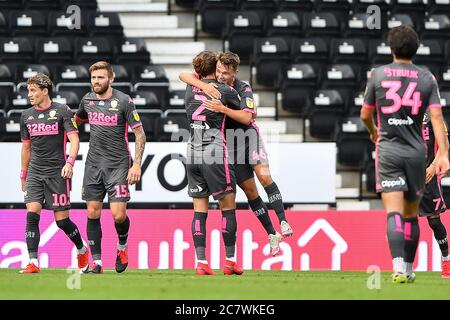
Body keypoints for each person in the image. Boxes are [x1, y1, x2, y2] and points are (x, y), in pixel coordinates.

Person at [360, 25, 450, 284]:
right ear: (417, 48)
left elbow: (365, 114)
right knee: (411, 215)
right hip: (415, 154)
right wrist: (443, 153)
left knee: (394, 214)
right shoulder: (426, 78)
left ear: (391, 47)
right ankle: (408, 269)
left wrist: (373, 132)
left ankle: (400, 267)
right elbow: (437, 116)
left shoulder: (377, 74)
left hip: (389, 152)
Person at [179, 52, 287, 256]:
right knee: (251, 192)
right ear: (215, 68)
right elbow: (184, 75)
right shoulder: (209, 84)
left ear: (235, 73)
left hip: (247, 137)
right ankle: (272, 234)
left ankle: (283, 221)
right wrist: (205, 86)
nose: (221, 75)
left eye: (226, 73)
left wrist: (222, 108)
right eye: (219, 71)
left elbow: (248, 117)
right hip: (229, 145)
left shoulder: (241, 87)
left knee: (264, 177)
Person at [74, 61, 146, 274]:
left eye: (101, 77)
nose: (96, 81)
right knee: (92, 211)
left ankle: (122, 246)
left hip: (118, 166)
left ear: (111, 79)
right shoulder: (87, 100)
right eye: (94, 78)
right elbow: (75, 122)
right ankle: (96, 262)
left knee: (118, 215)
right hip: (93, 164)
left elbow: (140, 134)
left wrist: (137, 164)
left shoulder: (124, 101)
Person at [185, 51, 252, 276]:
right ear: (215, 70)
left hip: (192, 152)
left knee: (199, 210)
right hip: (214, 152)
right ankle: (230, 261)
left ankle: (201, 262)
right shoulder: (226, 91)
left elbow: (185, 75)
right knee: (228, 207)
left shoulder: (189, 88)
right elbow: (248, 116)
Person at [19, 73, 89, 274]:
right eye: (28, 91)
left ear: (44, 90)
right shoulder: (26, 116)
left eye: (33, 90)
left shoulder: (62, 111)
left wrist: (70, 162)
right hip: (35, 172)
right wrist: (23, 174)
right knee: (32, 215)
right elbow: (26, 148)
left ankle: (81, 248)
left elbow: (74, 140)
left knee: (62, 222)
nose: (30, 95)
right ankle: (33, 262)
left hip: (58, 172)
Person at [420, 111, 450, 278]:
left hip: (428, 175)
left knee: (434, 221)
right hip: (408, 173)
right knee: (403, 220)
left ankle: (446, 261)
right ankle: (402, 265)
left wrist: (433, 166)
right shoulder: (402, 110)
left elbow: (444, 141)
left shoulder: (432, 114)